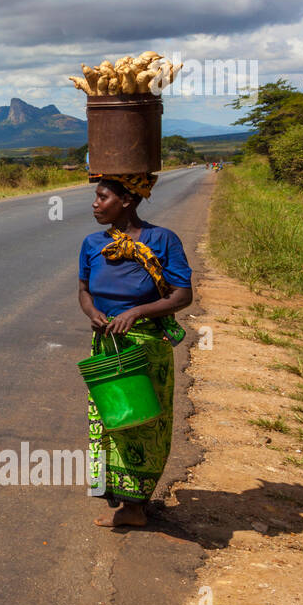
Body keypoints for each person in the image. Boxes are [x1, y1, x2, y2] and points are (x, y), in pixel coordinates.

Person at [77, 173, 193, 527]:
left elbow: (182, 295)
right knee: (111, 422)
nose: (95, 204)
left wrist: (137, 312)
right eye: (96, 198)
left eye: (103, 197)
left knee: (144, 422)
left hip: (147, 350)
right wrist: (93, 312)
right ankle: (121, 500)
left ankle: (136, 506)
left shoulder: (163, 240)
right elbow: (83, 290)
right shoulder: (92, 243)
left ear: (126, 201)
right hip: (107, 348)